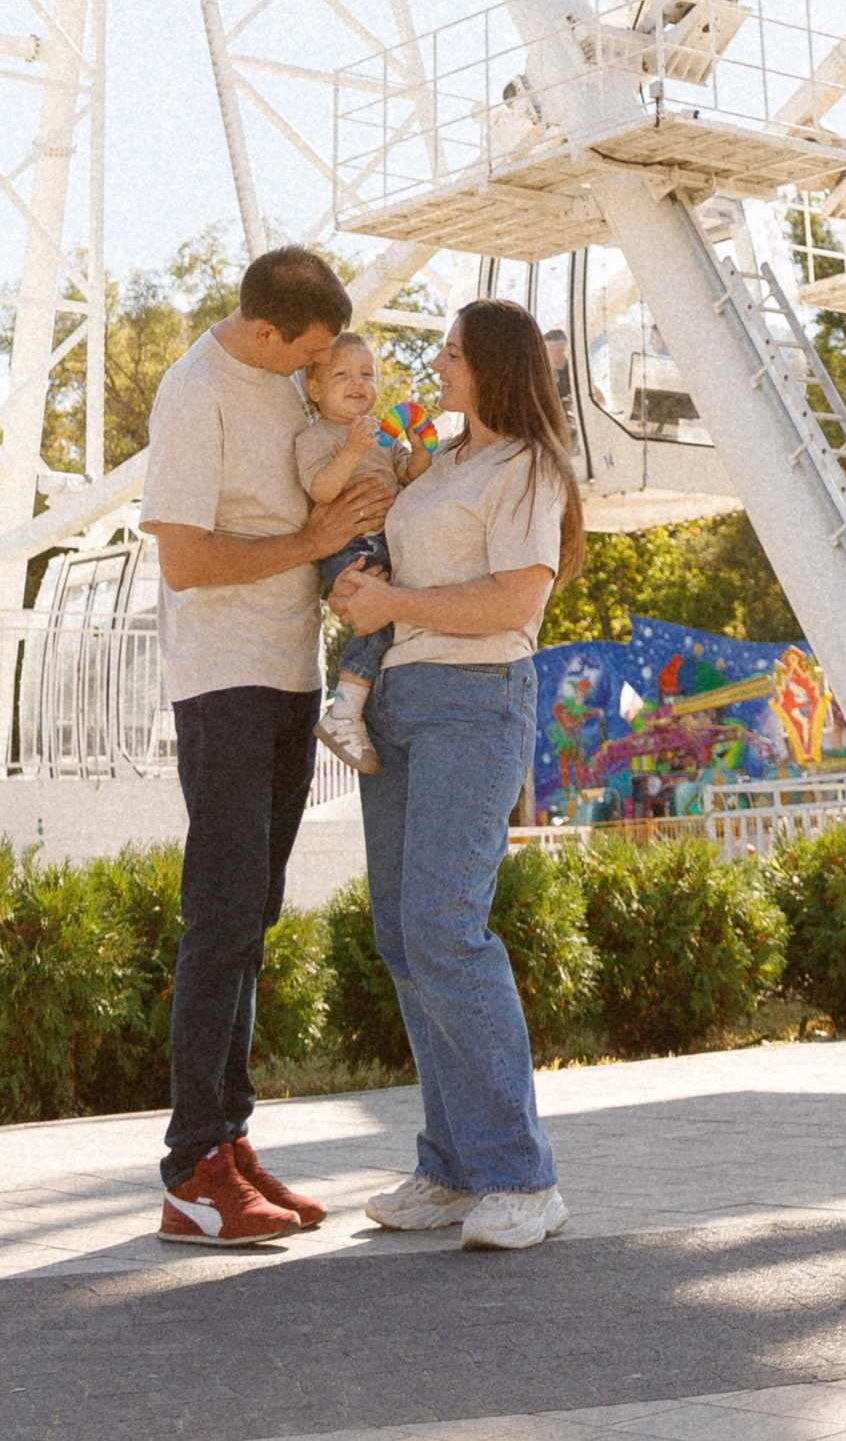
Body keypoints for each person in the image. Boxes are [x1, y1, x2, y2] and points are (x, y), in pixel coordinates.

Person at [142, 242, 390, 1248]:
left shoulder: (289, 388)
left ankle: (229, 1143)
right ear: (262, 332)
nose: (318, 367)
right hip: (224, 682)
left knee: (252, 914)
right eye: (310, 350)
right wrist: (311, 546)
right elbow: (188, 559)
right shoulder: (193, 393)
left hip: (292, 678)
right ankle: (190, 1169)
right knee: (219, 916)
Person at [331, 297, 581, 1255]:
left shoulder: (529, 470)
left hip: (476, 702)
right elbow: (391, 559)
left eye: (451, 352)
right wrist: (364, 591)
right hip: (397, 700)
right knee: (403, 933)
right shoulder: (442, 462)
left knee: (445, 926)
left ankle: (523, 1176)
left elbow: (519, 597)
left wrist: (393, 597)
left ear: (492, 365)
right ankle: (452, 1164)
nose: (435, 363)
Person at [296, 331, 432, 775]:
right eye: (342, 375)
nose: (358, 383)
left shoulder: (383, 438)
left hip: (389, 541)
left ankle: (356, 705)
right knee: (379, 617)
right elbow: (322, 488)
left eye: (367, 374)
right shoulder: (317, 437)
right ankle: (344, 710)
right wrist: (353, 448)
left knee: (395, 613)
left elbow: (410, 481)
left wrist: (418, 451)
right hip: (354, 545)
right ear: (315, 390)